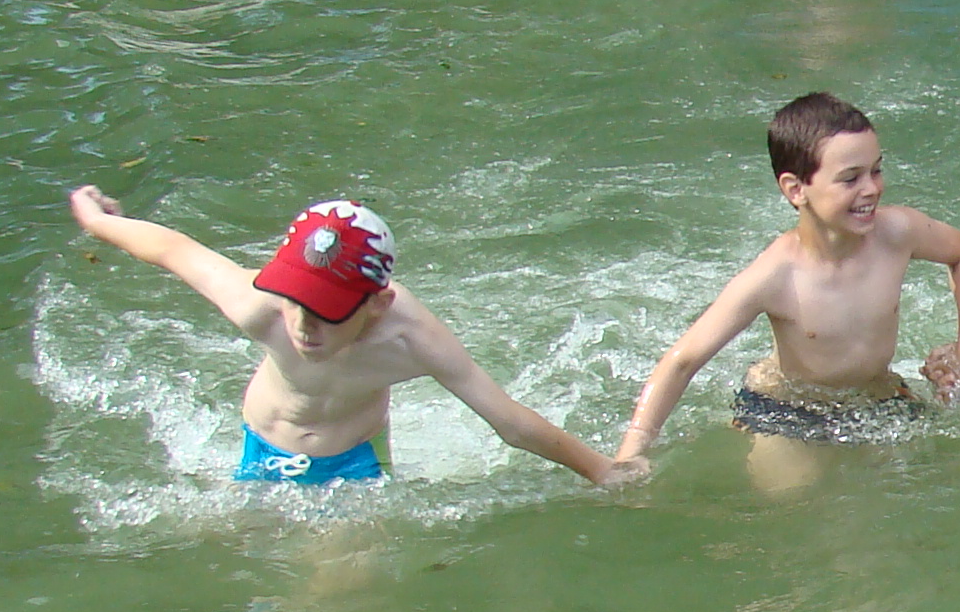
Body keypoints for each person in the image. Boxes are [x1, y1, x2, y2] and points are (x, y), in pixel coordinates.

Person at [62, 188, 620, 486]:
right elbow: (173, 250)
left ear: (378, 305)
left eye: (327, 313)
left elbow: (510, 421)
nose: (303, 326)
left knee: (334, 591)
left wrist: (602, 471)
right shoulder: (261, 306)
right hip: (261, 444)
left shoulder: (410, 340)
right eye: (295, 302)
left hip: (355, 463)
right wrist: (96, 221)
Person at [613, 92, 960, 488]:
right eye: (850, 178)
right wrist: (632, 450)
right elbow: (683, 360)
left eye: (876, 171)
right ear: (796, 189)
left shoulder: (898, 233)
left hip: (878, 396)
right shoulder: (777, 275)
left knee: (947, 475)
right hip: (787, 410)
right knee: (796, 495)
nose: (872, 189)